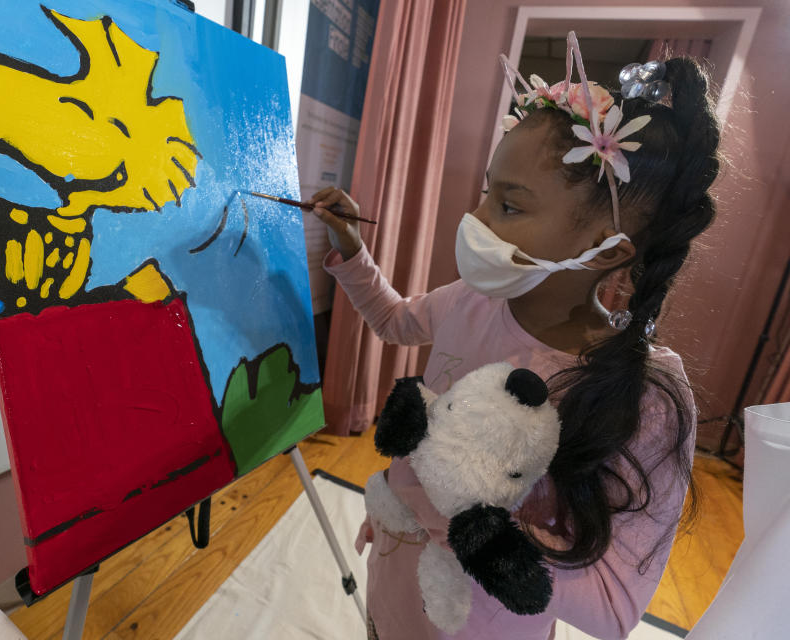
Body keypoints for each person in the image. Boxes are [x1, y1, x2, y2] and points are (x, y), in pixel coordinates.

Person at [307, 33, 720, 640]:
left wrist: (451, 519)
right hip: (393, 588)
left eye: (510, 206)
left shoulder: (644, 402)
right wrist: (351, 248)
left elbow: (612, 606)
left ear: (609, 249)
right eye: (484, 194)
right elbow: (394, 320)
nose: (474, 220)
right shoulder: (474, 300)